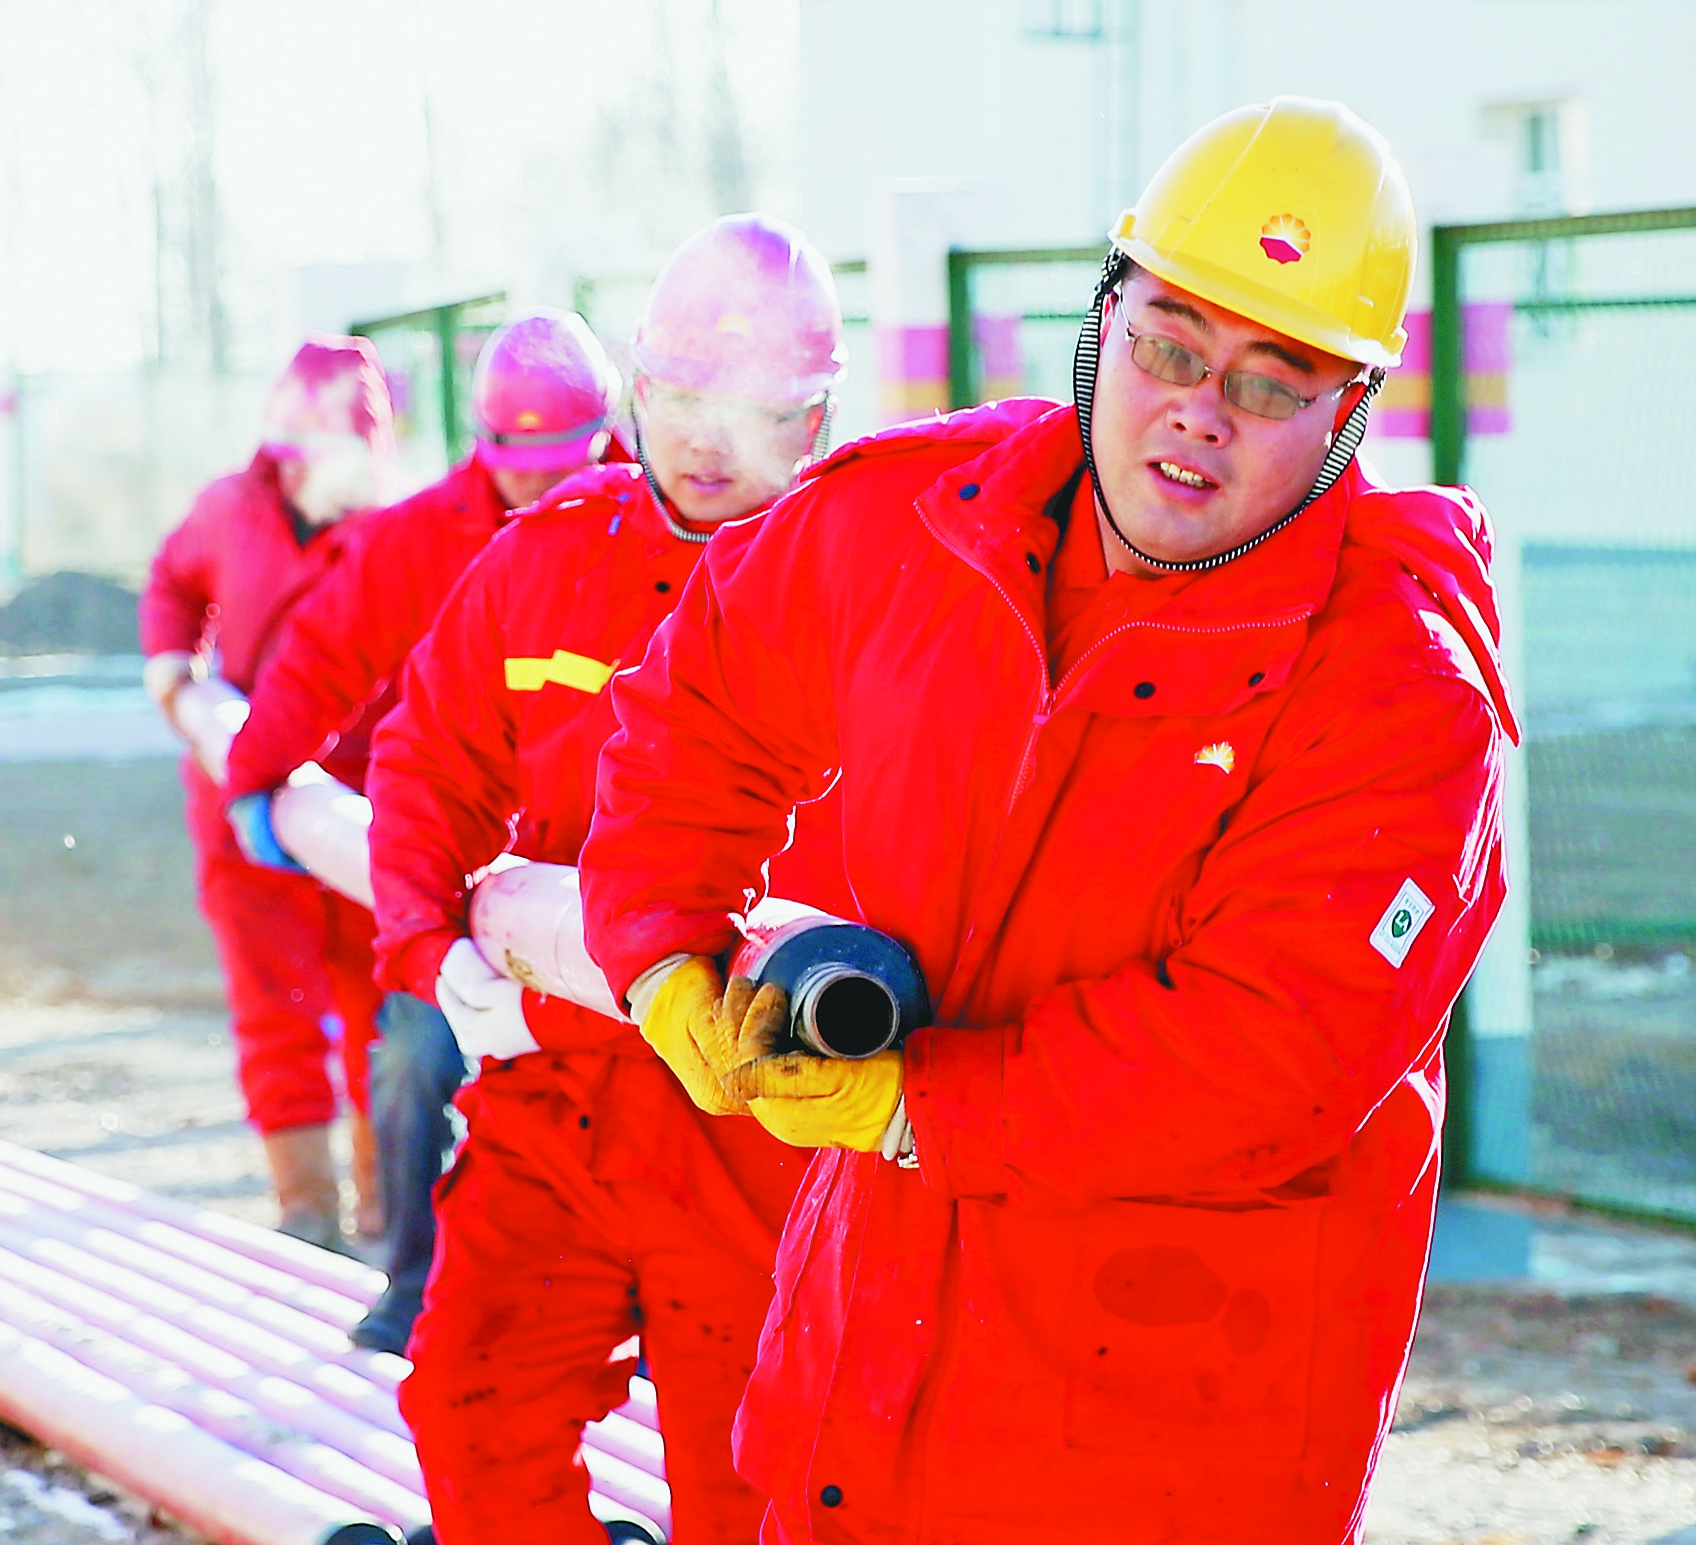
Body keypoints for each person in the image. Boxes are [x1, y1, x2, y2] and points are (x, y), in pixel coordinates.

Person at [581, 99, 1517, 1542]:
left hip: (1164, 1456)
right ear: (1103, 325)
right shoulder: (918, 523)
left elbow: (1264, 1052)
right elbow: (687, 709)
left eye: (1274, 381)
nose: (1199, 407)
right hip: (860, 1412)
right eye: (1170, 347)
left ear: (1347, 418)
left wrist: (915, 1107)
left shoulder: (1397, 691)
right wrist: (660, 950)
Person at [365, 214, 846, 1544]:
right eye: (678, 396)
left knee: (747, 1479)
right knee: (470, 1403)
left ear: (815, 418)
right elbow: (428, 756)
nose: (702, 437)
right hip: (555, 1090)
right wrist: (433, 951)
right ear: (634, 388)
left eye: (747, 408)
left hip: (757, 1123)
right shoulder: (547, 560)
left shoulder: (871, 592)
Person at [223, 307, 623, 1353]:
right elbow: (324, 651)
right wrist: (256, 778)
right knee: (411, 1054)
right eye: (517, 467)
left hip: (617, 883)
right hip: (467, 875)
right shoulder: (432, 537)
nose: (539, 489)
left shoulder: (661, 524)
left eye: (560, 463)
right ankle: (412, 1282)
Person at [139, 334, 392, 1250]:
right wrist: (174, 672)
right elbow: (169, 581)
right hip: (241, 804)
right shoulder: (229, 512)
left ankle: (390, 1209)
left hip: (365, 807)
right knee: (272, 1003)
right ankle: (306, 1211)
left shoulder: (395, 535)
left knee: (383, 1006)